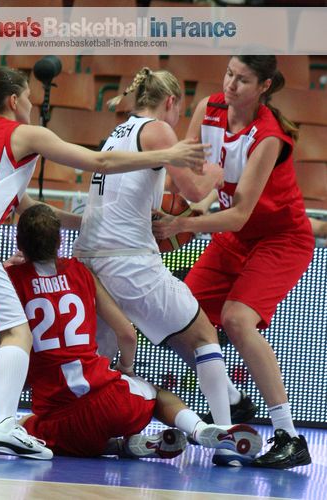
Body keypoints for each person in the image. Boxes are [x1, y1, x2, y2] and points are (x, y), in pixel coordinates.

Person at [0, 65, 209, 460]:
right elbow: (98, 161)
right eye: (29, 97)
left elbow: (29, 207)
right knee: (18, 332)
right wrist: (169, 153)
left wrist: (88, 221)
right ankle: (5, 425)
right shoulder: (24, 132)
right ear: (14, 101)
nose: (32, 103)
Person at [0, 204, 262, 460]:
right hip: (107, 398)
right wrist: (124, 369)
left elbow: (1, 354)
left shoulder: (11, 281)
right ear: (59, 241)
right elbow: (127, 333)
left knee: (28, 424)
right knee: (157, 395)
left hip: (56, 411)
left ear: (19, 243)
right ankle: (200, 430)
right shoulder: (82, 272)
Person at [73, 67, 257, 467]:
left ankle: (104, 435)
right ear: (170, 103)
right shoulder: (157, 128)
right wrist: (222, 168)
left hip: (88, 262)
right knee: (204, 335)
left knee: (105, 370)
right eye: (179, 111)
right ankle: (226, 433)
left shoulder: (119, 131)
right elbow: (192, 189)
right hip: (128, 261)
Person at [154, 56, 314, 469]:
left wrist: (181, 223)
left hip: (279, 239)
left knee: (238, 320)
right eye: (228, 74)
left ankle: (288, 436)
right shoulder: (208, 110)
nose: (231, 84)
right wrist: (170, 167)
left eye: (242, 80)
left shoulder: (269, 137)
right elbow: (198, 184)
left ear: (264, 86)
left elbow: (239, 213)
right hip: (233, 237)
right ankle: (231, 398)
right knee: (179, 314)